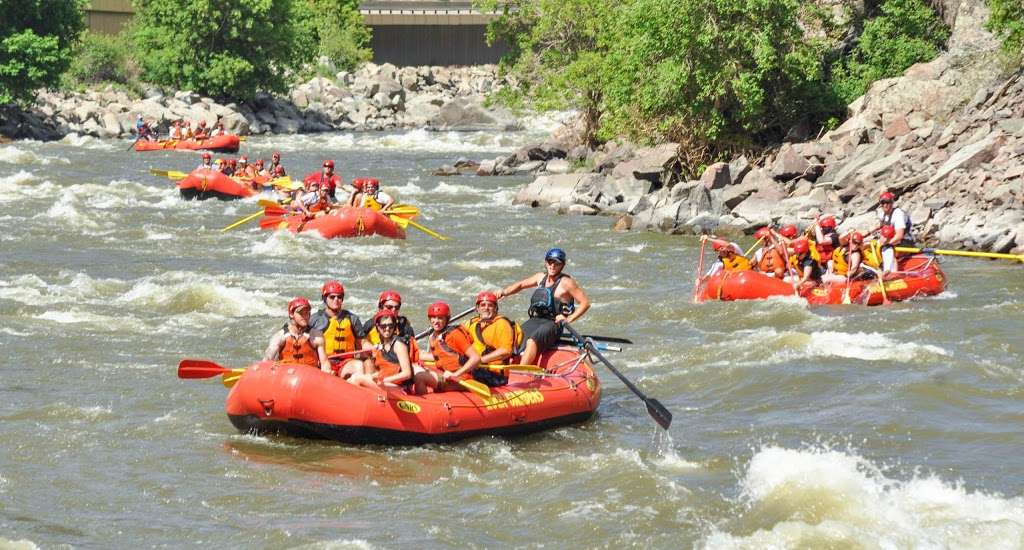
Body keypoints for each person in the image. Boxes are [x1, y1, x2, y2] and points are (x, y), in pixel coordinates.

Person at [495, 248, 590, 366]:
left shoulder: (566, 282)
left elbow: (585, 303)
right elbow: (520, 285)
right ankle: (502, 368)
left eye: (557, 263)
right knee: (515, 338)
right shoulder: (540, 277)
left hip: (554, 323)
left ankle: (520, 371)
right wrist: (504, 292)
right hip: (535, 320)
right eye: (550, 262)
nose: (553, 266)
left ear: (562, 265)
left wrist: (568, 319)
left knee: (532, 340)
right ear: (546, 263)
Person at [417, 301, 483, 394]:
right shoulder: (433, 336)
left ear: (446, 319)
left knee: (420, 377)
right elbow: (441, 356)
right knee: (415, 369)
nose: (436, 321)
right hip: (445, 374)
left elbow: (476, 358)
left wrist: (455, 374)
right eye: (433, 317)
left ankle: (423, 404)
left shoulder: (454, 334)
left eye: (440, 318)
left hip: (460, 378)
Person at [309, 280, 366, 379]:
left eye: (339, 297)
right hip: (324, 362)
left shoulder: (353, 319)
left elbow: (362, 342)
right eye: (332, 297)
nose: (336, 300)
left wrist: (373, 350)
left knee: (359, 366)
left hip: (346, 362)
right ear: (324, 298)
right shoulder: (315, 319)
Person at [463, 291, 521, 386]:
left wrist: (479, 361)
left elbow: (505, 351)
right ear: (477, 308)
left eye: (490, 305)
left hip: (494, 375)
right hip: (475, 368)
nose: (486, 308)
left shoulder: (502, 324)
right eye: (483, 305)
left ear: (495, 308)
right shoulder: (471, 323)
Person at [349, 310, 414, 390]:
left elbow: (407, 373)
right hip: (389, 384)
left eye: (391, 326)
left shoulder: (398, 345)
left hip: (401, 388)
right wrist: (372, 376)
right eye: (383, 326)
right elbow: (387, 370)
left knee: (357, 379)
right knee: (354, 377)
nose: (387, 329)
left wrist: (384, 380)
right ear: (377, 327)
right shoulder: (382, 345)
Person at [263, 297, 331, 372]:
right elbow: (267, 360)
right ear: (291, 314)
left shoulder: (316, 336)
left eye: (307, 313)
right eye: (301, 313)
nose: (305, 316)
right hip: (286, 376)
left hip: (310, 376)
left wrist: (328, 372)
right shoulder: (280, 337)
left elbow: (324, 363)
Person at [872, 191, 914, 273]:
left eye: (888, 202)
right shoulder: (882, 215)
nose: (885, 205)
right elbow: (879, 227)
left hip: (905, 242)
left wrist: (885, 244)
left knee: (887, 248)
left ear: (892, 203)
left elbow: (899, 236)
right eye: (883, 202)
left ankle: (890, 272)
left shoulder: (898, 214)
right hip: (892, 241)